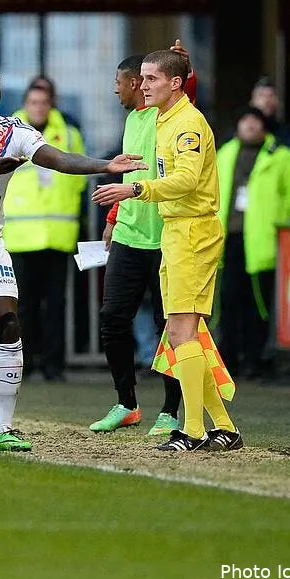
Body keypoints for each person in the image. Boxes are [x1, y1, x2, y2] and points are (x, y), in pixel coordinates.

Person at [0, 67, 145, 453]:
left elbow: (57, 159)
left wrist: (105, 166)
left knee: (8, 325)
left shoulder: (15, 132)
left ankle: (4, 429)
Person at [94, 48, 242, 452]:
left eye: (152, 79)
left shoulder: (187, 124)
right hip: (176, 232)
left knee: (180, 332)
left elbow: (187, 180)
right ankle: (223, 427)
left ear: (175, 83)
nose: (143, 86)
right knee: (180, 334)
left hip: (192, 232)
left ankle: (193, 429)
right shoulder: (162, 120)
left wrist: (135, 189)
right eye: (140, 79)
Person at [90, 54, 182, 437]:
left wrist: (182, 69)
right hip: (129, 235)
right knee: (113, 318)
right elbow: (132, 173)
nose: (117, 88)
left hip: (167, 238)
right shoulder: (131, 120)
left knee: (169, 325)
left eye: (120, 81)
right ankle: (126, 403)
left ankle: (171, 411)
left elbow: (182, 93)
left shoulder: (169, 117)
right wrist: (112, 220)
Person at [3, 83, 87, 381]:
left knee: (55, 306)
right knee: (21, 306)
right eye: (33, 102)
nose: (38, 107)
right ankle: (21, 365)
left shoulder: (69, 134)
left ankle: (53, 365)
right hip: (20, 236)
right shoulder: (7, 132)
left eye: (43, 102)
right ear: (25, 103)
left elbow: (78, 179)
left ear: (51, 104)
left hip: (56, 234)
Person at [216, 107, 290, 378]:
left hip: (261, 241)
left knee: (258, 303)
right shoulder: (225, 152)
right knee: (228, 301)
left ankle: (255, 360)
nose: (251, 126)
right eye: (246, 120)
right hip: (227, 238)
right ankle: (228, 359)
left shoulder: (281, 156)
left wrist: (276, 220)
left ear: (264, 127)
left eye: (256, 121)